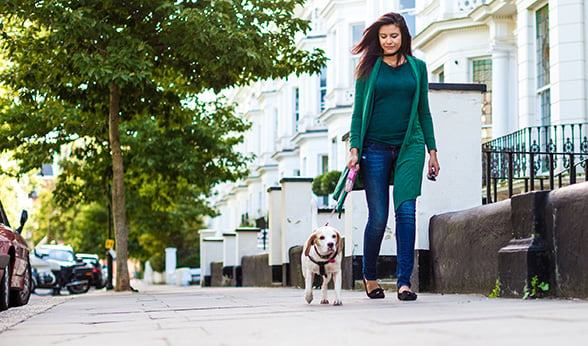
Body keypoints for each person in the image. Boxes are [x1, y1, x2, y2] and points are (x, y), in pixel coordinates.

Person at [337, 12, 440, 301]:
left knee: (406, 213)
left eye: (393, 35)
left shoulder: (418, 68)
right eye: (383, 36)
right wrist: (354, 149)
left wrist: (432, 151)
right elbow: (358, 113)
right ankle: (370, 275)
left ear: (404, 36)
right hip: (375, 148)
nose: (388, 41)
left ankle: (404, 281)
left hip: (410, 145)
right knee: (379, 217)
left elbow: (424, 111)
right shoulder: (368, 70)